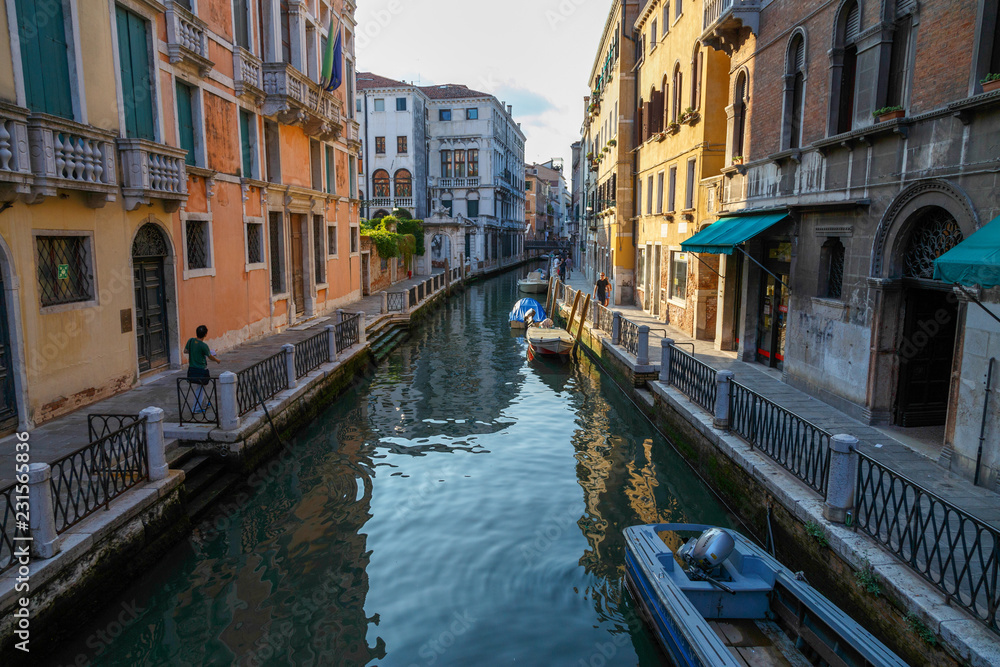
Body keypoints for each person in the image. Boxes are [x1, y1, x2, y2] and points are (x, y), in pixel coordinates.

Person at [184, 325, 220, 413]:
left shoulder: (191, 341)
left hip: (192, 369)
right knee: (200, 388)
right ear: (205, 334)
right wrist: (217, 360)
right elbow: (210, 356)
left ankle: (204, 403)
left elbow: (185, 351)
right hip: (201, 369)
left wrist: (194, 352)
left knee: (202, 386)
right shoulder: (204, 346)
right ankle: (196, 409)